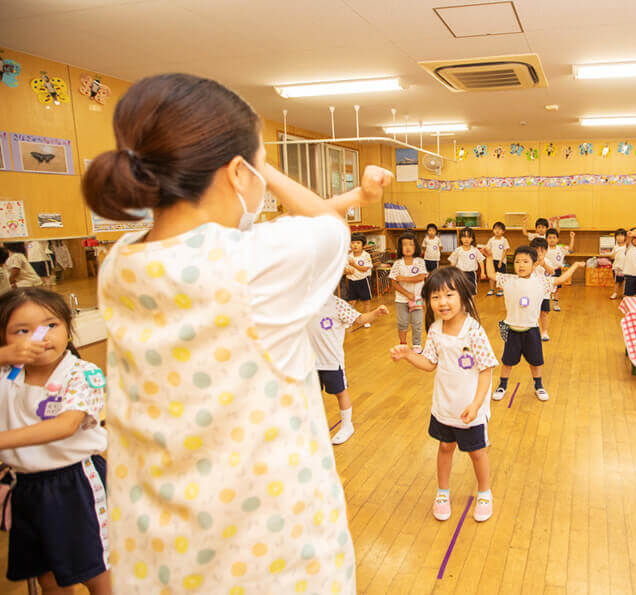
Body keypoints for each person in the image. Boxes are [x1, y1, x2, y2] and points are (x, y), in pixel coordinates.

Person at [82, 72, 392, 592]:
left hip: (161, 555)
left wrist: (260, 163)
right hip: (267, 558)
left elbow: (268, 232)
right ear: (239, 172)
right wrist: (265, 167)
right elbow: (328, 228)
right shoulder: (252, 269)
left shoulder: (120, 263)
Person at [0, 288, 110, 594]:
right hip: (26, 486)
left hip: (76, 482)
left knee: (96, 569)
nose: (40, 336)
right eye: (22, 330)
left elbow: (65, 426)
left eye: (51, 325)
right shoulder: (8, 373)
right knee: (48, 576)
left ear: (68, 327)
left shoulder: (82, 373)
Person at [390, 266, 499, 523]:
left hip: (470, 409)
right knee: (445, 447)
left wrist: (476, 404)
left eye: (449, 295)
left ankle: (484, 493)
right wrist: (408, 355)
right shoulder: (436, 330)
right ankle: (442, 492)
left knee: (477, 452)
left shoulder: (474, 331)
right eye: (436, 297)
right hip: (444, 406)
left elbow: (485, 371)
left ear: (463, 296)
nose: (442, 302)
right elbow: (430, 364)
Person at [487, 246, 583, 402]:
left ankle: (538, 385)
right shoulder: (508, 280)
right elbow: (491, 274)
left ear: (534, 265)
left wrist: (575, 266)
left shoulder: (541, 282)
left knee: (535, 361)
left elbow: (561, 279)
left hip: (531, 329)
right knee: (507, 361)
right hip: (511, 328)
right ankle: (502, 385)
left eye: (525, 261)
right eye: (517, 262)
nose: (521, 265)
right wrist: (490, 257)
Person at [307, 294, 388, 445]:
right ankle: (314, 426)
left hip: (331, 361)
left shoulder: (336, 304)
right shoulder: (303, 302)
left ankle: (346, 425)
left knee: (340, 393)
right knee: (312, 395)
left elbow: (358, 319)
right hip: (309, 362)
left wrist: (375, 313)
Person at [389, 231, 428, 353]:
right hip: (401, 299)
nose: (408, 247)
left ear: (415, 247)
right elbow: (394, 283)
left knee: (417, 323)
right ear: (400, 247)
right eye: (404, 244)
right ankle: (403, 343)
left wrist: (404, 278)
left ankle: (416, 344)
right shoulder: (397, 264)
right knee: (402, 323)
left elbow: (421, 277)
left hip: (417, 299)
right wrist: (407, 294)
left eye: (411, 244)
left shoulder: (420, 262)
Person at [344, 233, 374, 323]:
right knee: (351, 302)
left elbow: (365, 269)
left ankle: (366, 320)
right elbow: (344, 268)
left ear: (363, 245)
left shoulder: (366, 256)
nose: (355, 245)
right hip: (351, 281)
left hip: (363, 281)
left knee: (366, 302)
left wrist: (354, 265)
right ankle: (349, 320)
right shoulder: (348, 256)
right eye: (353, 243)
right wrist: (347, 271)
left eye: (358, 243)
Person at [529, 238, 555, 340]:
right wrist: (535, 264)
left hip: (544, 293)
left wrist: (543, 264)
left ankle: (544, 331)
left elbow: (552, 271)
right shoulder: (530, 261)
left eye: (542, 250)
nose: (539, 253)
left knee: (544, 313)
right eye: (536, 250)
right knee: (532, 313)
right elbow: (527, 273)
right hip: (532, 292)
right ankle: (532, 331)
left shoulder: (548, 261)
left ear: (546, 250)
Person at [544, 228, 575, 311]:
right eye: (549, 238)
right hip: (547, 271)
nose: (552, 240)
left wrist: (572, 238)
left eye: (554, 238)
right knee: (547, 288)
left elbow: (571, 249)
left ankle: (556, 304)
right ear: (546, 239)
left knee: (557, 289)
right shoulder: (544, 249)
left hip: (557, 270)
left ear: (557, 239)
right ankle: (544, 303)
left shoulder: (560, 248)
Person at [448, 227, 486, 295]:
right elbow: (452, 261)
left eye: (469, 237)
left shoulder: (475, 250)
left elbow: (481, 261)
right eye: (464, 237)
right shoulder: (458, 250)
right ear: (460, 238)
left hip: (471, 274)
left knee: (471, 292)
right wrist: (451, 273)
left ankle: (470, 305)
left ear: (472, 239)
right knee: (460, 292)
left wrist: (483, 272)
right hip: (460, 274)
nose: (466, 239)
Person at [485, 221, 510, 297]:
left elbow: (505, 251)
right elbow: (488, 249)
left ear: (503, 231)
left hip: (501, 261)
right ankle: (492, 289)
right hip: (492, 261)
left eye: (499, 229)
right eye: (495, 229)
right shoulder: (491, 240)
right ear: (493, 230)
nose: (497, 231)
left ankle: (500, 290)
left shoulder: (504, 240)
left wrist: (501, 261)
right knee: (491, 276)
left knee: (501, 276)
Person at [608, 228, 628, 300]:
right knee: (617, 281)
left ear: (625, 237)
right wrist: (613, 254)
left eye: (622, 235)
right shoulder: (615, 247)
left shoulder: (627, 246)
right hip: (616, 267)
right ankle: (615, 293)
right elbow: (611, 257)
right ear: (615, 237)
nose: (619, 237)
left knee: (624, 281)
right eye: (618, 236)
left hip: (625, 267)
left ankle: (624, 294)